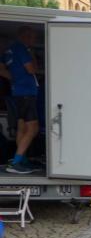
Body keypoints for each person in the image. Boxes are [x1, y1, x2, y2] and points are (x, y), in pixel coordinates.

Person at [2, 26, 40, 173]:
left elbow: (1, 69)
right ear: (25, 36)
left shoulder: (9, 51)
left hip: (18, 93)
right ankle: (16, 162)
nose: (34, 39)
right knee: (33, 128)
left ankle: (22, 160)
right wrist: (33, 56)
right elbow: (31, 69)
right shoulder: (22, 49)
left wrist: (14, 79)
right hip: (26, 93)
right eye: (33, 36)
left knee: (22, 128)